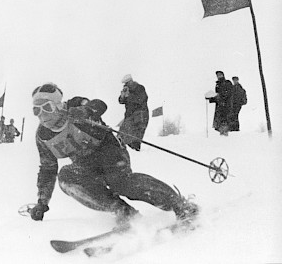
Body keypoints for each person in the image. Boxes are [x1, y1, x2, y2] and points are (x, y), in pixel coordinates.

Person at [28, 83, 198, 226]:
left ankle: (180, 205)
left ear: (58, 105)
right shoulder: (43, 136)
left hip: (109, 151)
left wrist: (85, 110)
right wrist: (42, 203)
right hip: (85, 164)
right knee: (66, 178)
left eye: (47, 107)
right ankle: (123, 212)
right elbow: (48, 168)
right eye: (37, 110)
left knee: (121, 183)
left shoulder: (74, 105)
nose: (42, 115)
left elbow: (99, 105)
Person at [118, 74, 149, 151]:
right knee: (123, 132)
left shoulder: (140, 88)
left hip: (140, 113)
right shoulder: (126, 90)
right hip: (129, 115)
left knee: (136, 133)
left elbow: (141, 99)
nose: (126, 85)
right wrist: (123, 96)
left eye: (127, 83)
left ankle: (134, 148)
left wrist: (129, 96)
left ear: (131, 81)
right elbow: (121, 101)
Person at [206, 71, 233, 136]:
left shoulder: (227, 83)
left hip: (226, 106)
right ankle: (222, 136)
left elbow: (227, 94)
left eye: (220, 75)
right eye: (218, 75)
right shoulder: (218, 84)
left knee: (225, 122)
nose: (219, 76)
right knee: (220, 124)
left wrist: (217, 96)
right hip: (220, 107)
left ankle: (225, 136)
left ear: (223, 75)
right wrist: (211, 98)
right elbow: (218, 96)